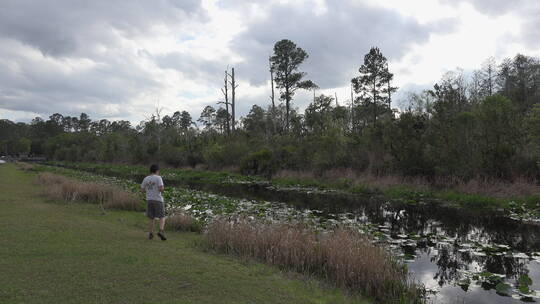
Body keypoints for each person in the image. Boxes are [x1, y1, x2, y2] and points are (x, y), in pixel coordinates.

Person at [141, 164, 167, 241]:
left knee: (151, 217)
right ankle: (161, 231)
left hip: (149, 199)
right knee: (162, 216)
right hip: (158, 199)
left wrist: (149, 190)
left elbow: (142, 190)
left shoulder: (146, 178)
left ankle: (151, 233)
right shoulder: (158, 178)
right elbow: (161, 189)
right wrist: (161, 189)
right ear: (157, 171)